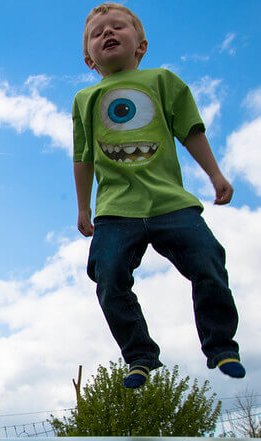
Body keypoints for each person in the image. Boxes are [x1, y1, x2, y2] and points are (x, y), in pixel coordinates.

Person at [73, 3, 244, 389]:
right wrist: (83, 206)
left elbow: (190, 129)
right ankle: (139, 354)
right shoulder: (85, 100)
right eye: (98, 33)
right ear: (89, 58)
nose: (108, 34)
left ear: (141, 46)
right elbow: (82, 157)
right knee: (107, 275)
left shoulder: (162, 80)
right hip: (116, 211)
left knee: (208, 260)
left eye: (118, 27)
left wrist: (215, 174)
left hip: (172, 204)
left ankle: (221, 345)